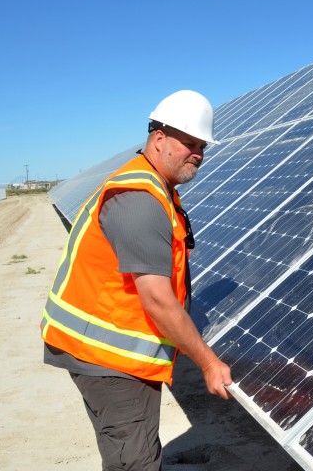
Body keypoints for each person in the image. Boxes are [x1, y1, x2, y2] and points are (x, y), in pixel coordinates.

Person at [40, 90, 232, 470]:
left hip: (104, 348)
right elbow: (158, 299)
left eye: (202, 146)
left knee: (132, 445)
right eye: (189, 143)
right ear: (159, 139)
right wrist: (208, 363)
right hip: (109, 358)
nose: (198, 153)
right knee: (135, 460)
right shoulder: (139, 200)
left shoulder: (153, 186)